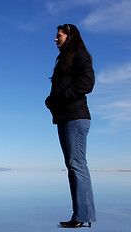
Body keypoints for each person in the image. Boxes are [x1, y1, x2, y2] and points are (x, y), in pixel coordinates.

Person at [45, 24, 96, 228]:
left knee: (77, 165)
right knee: (73, 166)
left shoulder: (80, 55)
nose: (55, 39)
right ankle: (81, 214)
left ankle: (83, 216)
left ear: (69, 36)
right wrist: (51, 101)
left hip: (76, 116)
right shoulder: (64, 58)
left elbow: (87, 83)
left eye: (58, 36)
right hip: (65, 117)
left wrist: (59, 97)